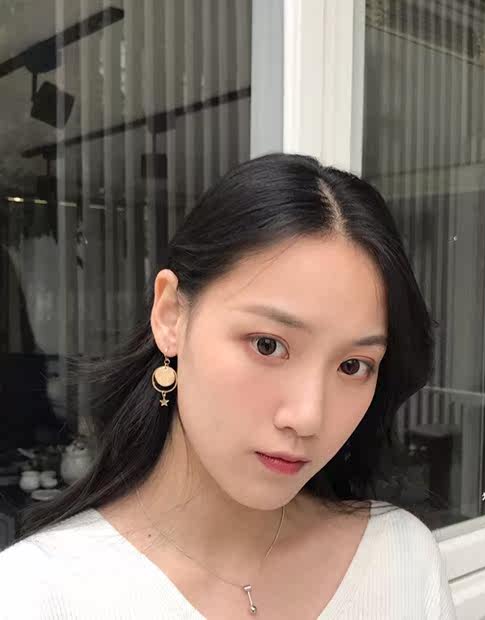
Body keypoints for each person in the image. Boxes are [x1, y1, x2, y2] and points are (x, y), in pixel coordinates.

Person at [0, 153, 456, 619]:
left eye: (353, 366)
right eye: (267, 345)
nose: (308, 417)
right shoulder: (34, 596)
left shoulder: (401, 561)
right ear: (170, 316)